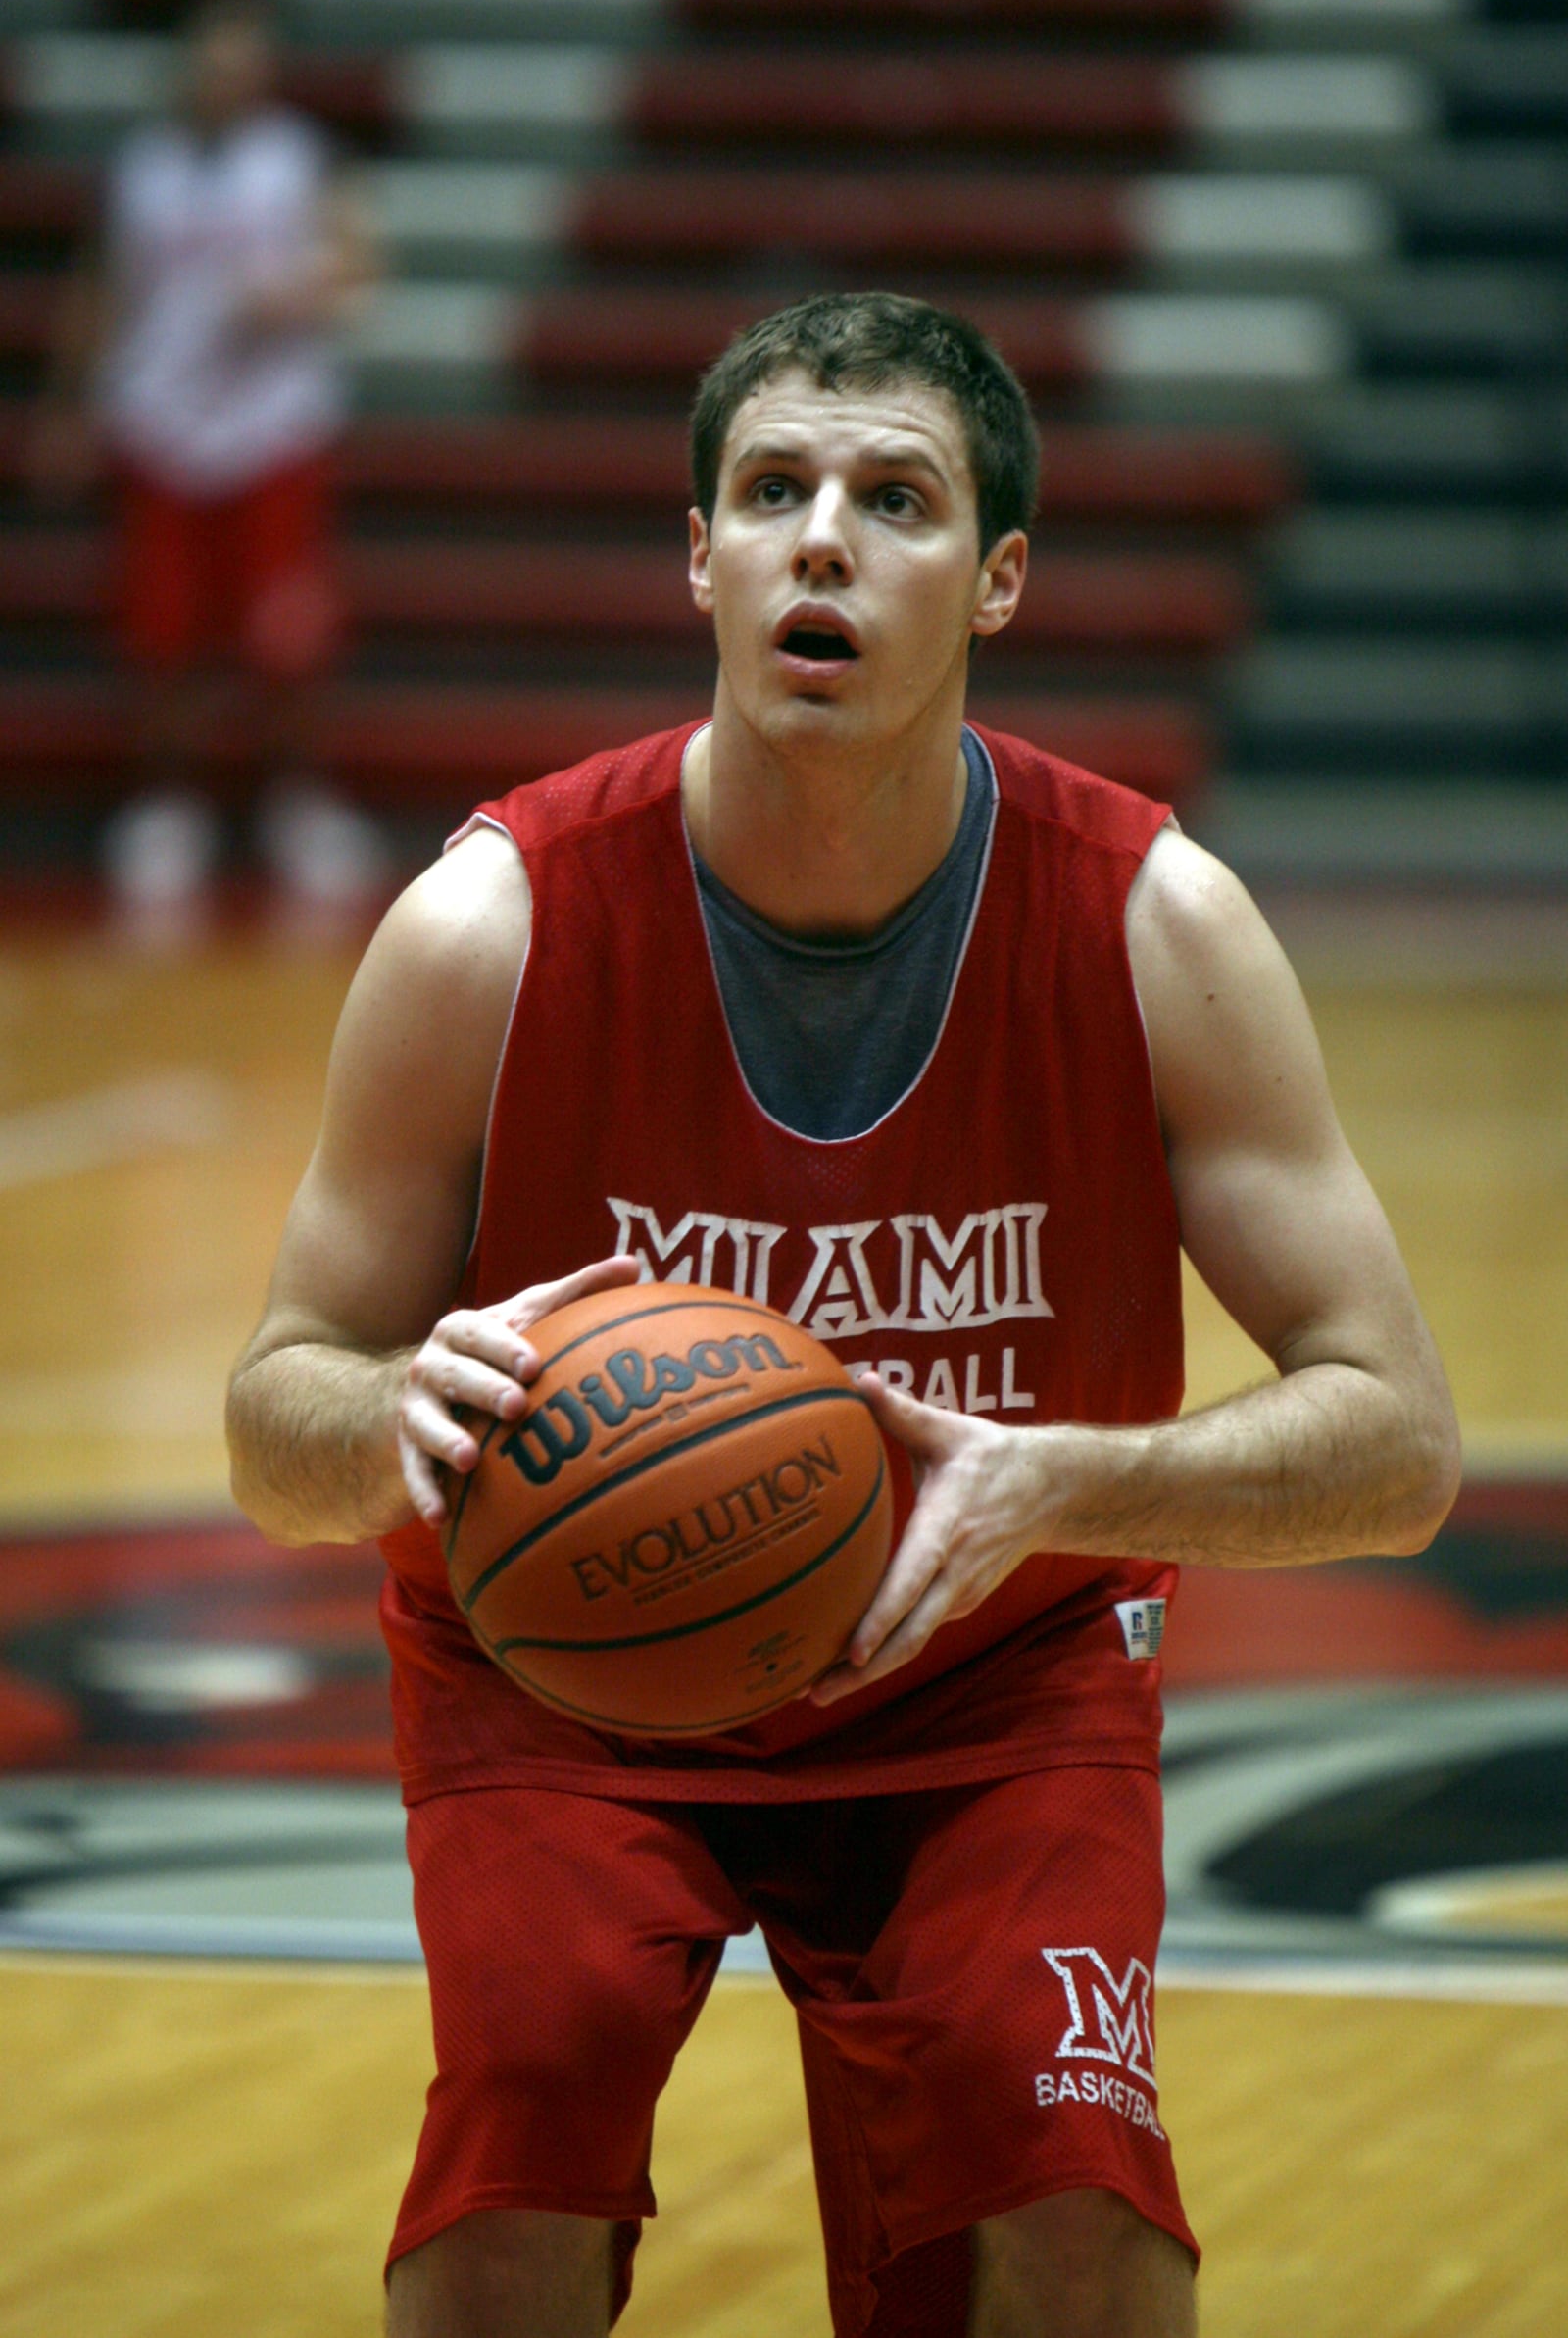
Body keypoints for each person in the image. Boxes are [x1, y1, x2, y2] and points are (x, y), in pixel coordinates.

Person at [226, 293, 1460, 2337]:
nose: (821, 540)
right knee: (506, 2161)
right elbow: (277, 1411)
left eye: (893, 499)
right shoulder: (487, 923)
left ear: (992, 583)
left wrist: (1069, 1475)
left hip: (992, 1664)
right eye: (771, 491)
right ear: (694, 556)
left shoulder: (1155, 923)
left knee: (1076, 2220)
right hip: (569, 1675)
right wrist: (387, 1416)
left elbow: (1398, 1439)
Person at [28, 0, 386, 912]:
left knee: (289, 635)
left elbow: (356, 273)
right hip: (160, 425)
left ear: (263, 69)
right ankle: (169, 808)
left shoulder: (301, 159)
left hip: (273, 427)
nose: (226, 74)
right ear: (189, 67)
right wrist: (67, 407)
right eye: (212, 59)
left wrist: (294, 297)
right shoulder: (142, 170)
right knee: (161, 633)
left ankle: (295, 805)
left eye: (242, 59)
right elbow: (101, 289)